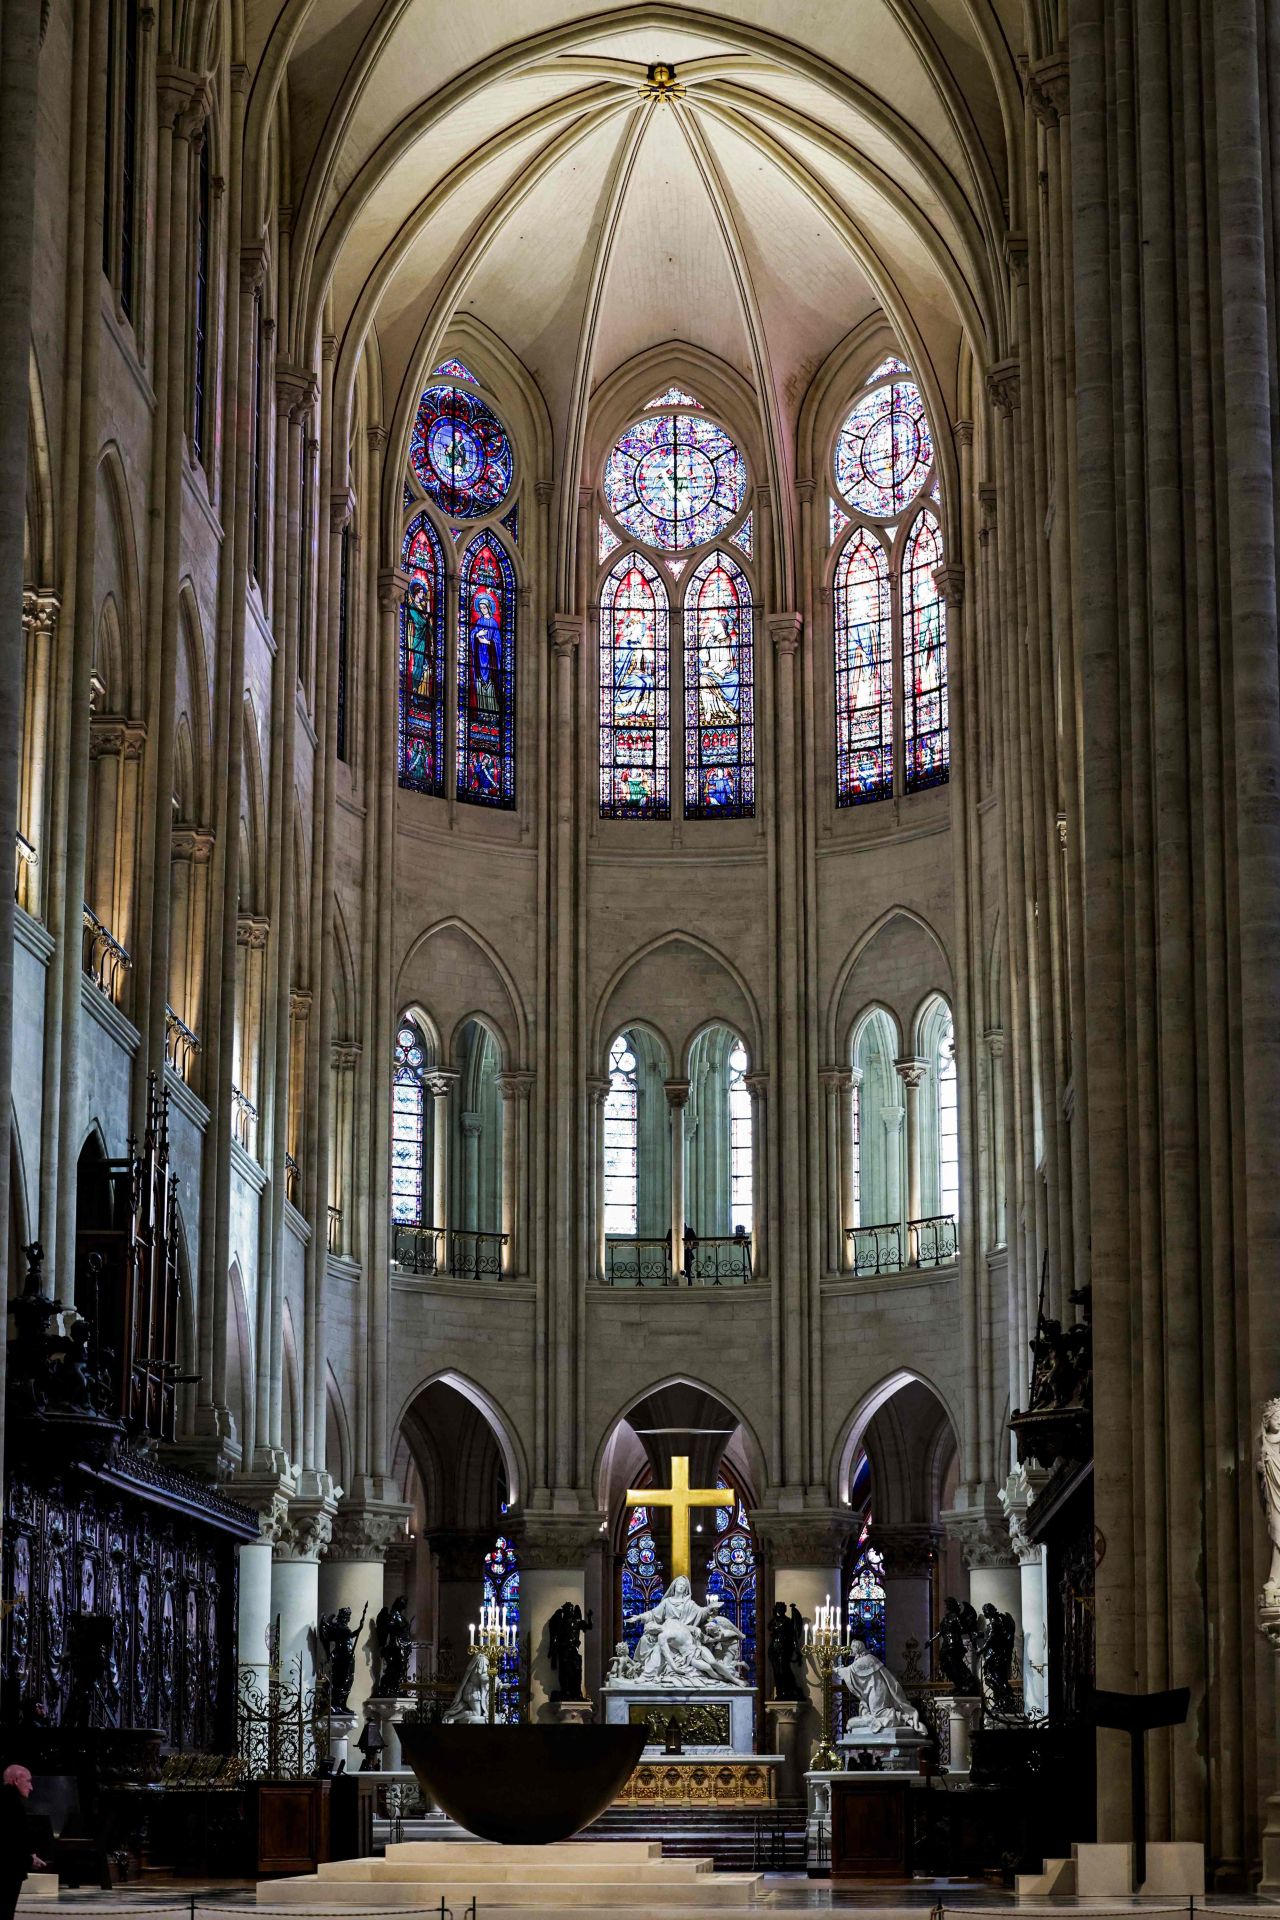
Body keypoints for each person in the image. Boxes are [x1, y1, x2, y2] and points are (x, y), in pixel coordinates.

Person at [0, 1763, 46, 1920]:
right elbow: (10, 1842)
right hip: (7, 1871)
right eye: (28, 1781)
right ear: (15, 1780)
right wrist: (28, 1860)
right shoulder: (11, 1804)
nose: (31, 1787)